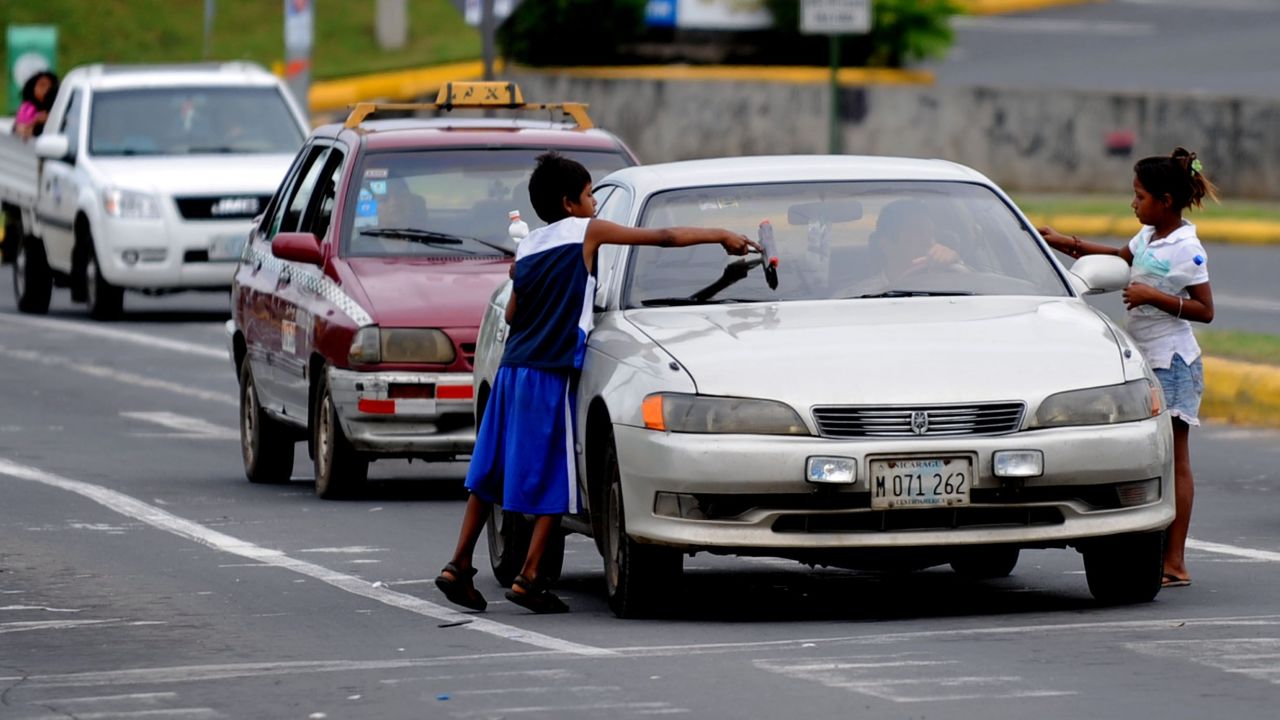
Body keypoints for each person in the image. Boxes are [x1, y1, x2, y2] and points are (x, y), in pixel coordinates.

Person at [435, 152, 757, 614]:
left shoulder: (528, 248)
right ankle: (529, 577)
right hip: (548, 372)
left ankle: (458, 565)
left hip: (511, 370)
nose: (595, 204)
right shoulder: (587, 232)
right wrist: (720, 235)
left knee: (487, 473)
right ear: (570, 203)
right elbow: (661, 237)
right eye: (589, 195)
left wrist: (527, 282)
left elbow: (512, 314)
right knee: (556, 480)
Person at [1039, 147, 1217, 590]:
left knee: (1174, 461)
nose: (1132, 203)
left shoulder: (1184, 248)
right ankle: (1158, 552)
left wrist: (1153, 297)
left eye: (1139, 196)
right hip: (1147, 360)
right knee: (1151, 458)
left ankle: (1174, 561)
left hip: (1174, 363)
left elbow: (1205, 309)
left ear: (1166, 200)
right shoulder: (1151, 238)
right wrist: (1067, 244)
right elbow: (1122, 258)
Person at [838, 198, 965, 296]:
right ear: (885, 244)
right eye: (917, 233)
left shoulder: (952, 284)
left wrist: (958, 266)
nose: (929, 242)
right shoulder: (855, 296)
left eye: (931, 233)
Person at [14, 70, 59, 140]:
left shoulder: (55, 108)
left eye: (50, 87)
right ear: (32, 88)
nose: (46, 89)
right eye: (42, 85)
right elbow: (21, 129)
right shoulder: (27, 109)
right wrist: (35, 121)